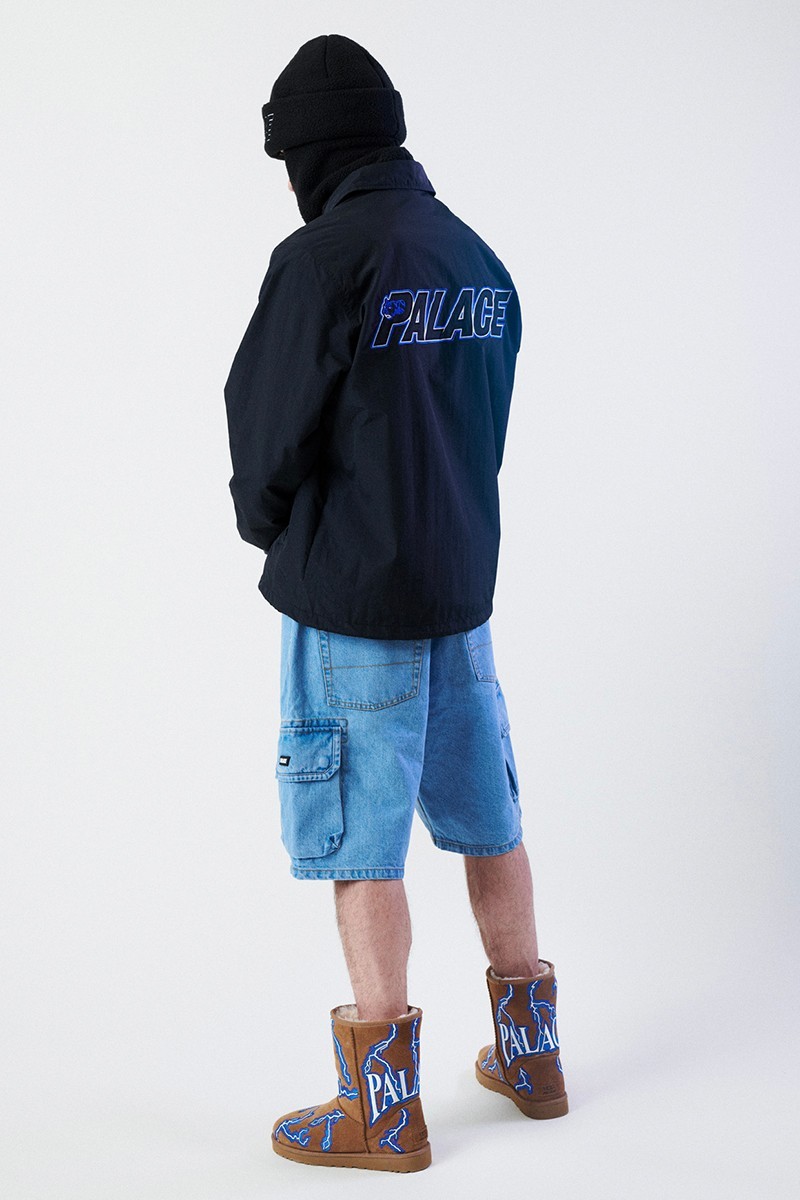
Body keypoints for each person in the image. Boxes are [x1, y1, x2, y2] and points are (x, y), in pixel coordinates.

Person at [223, 33, 568, 1174]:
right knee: (489, 819)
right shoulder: (474, 257)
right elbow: (484, 426)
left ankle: (381, 1110)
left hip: (355, 604)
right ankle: (531, 1059)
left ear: (308, 154)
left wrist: (276, 530)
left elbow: (263, 435)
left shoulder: (319, 260)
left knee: (361, 844)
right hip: (458, 595)